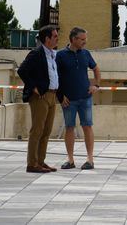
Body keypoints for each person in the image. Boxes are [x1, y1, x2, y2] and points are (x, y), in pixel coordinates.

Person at [55, 27, 101, 170]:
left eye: (85, 39)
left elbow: (96, 69)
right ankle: (70, 160)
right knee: (69, 127)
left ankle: (90, 159)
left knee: (87, 126)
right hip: (68, 100)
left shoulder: (86, 54)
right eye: (82, 39)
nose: (85, 42)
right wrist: (60, 96)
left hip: (85, 98)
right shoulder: (60, 55)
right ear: (73, 39)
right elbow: (55, 77)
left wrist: (96, 85)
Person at [17, 24, 60, 173]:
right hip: (40, 96)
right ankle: (32, 163)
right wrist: (33, 87)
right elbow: (22, 70)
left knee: (46, 131)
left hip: (52, 96)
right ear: (47, 39)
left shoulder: (52, 54)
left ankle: (40, 161)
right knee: (37, 130)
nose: (57, 39)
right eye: (54, 36)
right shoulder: (36, 53)